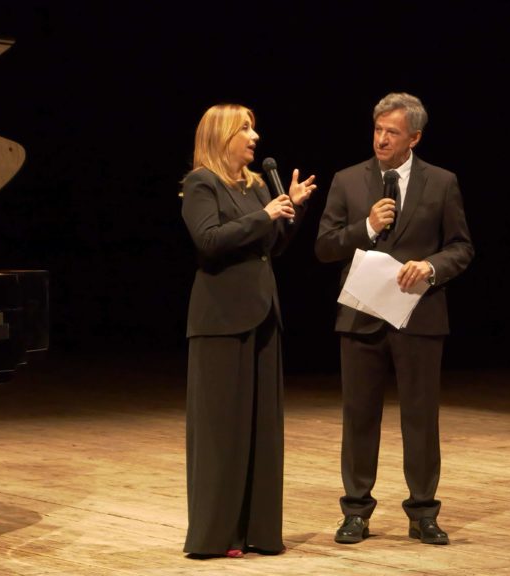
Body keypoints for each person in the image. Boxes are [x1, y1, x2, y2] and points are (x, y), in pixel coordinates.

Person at [315, 92, 473, 546]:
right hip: (361, 316)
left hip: (418, 317)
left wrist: (431, 267)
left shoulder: (442, 182)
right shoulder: (348, 180)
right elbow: (324, 247)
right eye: (377, 130)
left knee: (420, 419)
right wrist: (366, 227)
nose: (381, 139)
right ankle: (355, 511)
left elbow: (461, 247)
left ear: (414, 138)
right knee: (359, 417)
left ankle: (423, 512)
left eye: (392, 132)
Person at [181, 103, 316, 558]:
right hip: (220, 320)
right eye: (245, 129)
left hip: (262, 314)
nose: (255, 137)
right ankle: (216, 536)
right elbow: (209, 240)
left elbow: (271, 247)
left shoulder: (256, 185)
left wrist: (291, 210)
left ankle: (257, 531)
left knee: (262, 430)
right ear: (222, 136)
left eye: (254, 129)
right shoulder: (202, 183)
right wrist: (266, 215)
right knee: (221, 431)